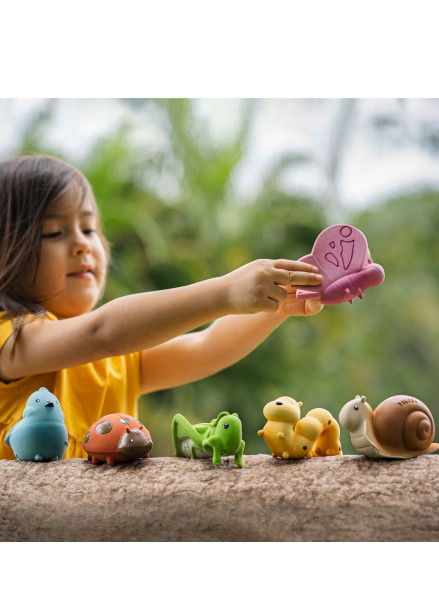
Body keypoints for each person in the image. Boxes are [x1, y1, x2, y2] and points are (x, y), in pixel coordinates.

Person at [0, 155, 323, 459]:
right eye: (53, 233)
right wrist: (224, 292)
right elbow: (102, 332)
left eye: (88, 229)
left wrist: (279, 306)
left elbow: (206, 349)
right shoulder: (11, 338)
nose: (83, 244)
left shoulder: (117, 360)